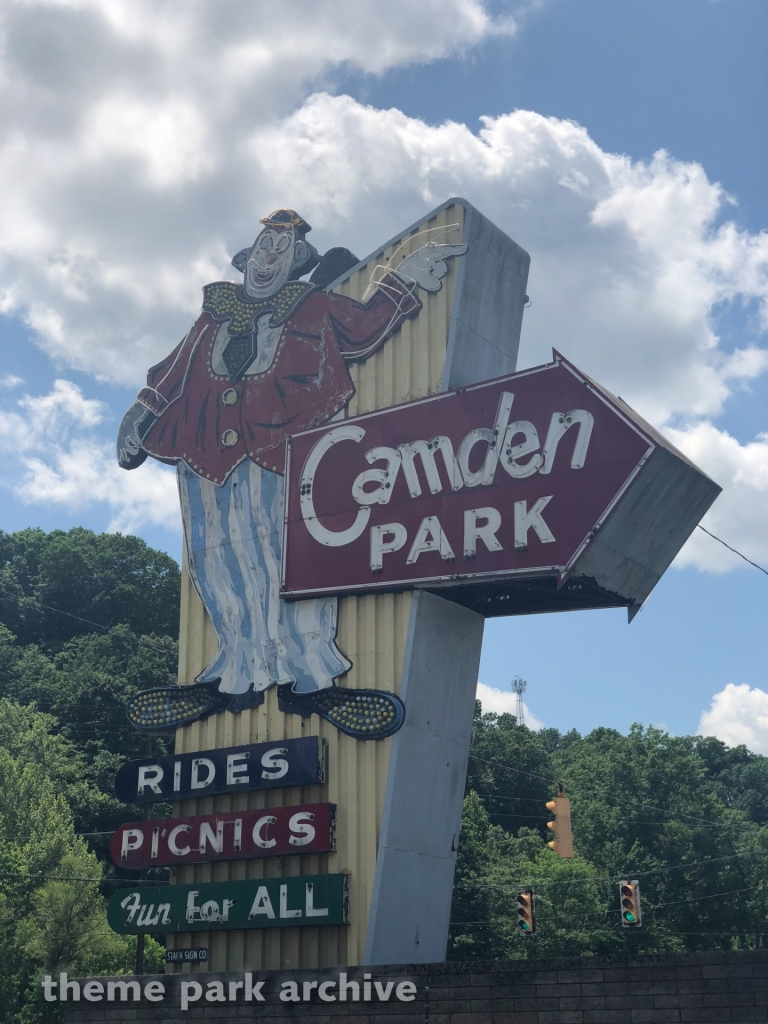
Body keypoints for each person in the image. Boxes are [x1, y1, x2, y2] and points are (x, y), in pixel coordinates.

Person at [117, 209, 465, 737]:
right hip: (205, 451)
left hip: (281, 449)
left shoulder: (313, 305)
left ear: (297, 264)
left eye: (281, 252)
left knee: (293, 562)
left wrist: (403, 278)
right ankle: (235, 673)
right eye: (262, 249)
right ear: (247, 259)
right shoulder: (214, 314)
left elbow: (366, 330)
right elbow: (173, 368)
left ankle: (313, 679)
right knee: (219, 561)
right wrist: (141, 412)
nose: (267, 260)